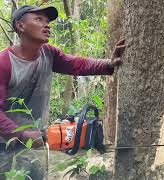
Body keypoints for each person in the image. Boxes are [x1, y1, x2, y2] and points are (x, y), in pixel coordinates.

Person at [0, 5, 125, 179]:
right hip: (4, 146)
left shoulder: (49, 54)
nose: (47, 25)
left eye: (47, 21)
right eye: (38, 19)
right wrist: (23, 134)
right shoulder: (4, 63)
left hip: (35, 144)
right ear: (20, 26)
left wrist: (108, 64)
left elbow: (76, 64)